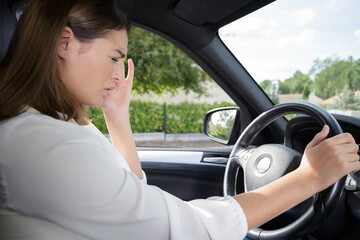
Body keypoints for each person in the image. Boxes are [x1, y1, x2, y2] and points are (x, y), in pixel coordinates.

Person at [0, 0, 359, 239]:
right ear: (65, 44)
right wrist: (308, 178)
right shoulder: (46, 145)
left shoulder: (55, 126)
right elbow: (187, 228)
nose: (116, 73)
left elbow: (128, 191)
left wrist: (117, 116)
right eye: (114, 57)